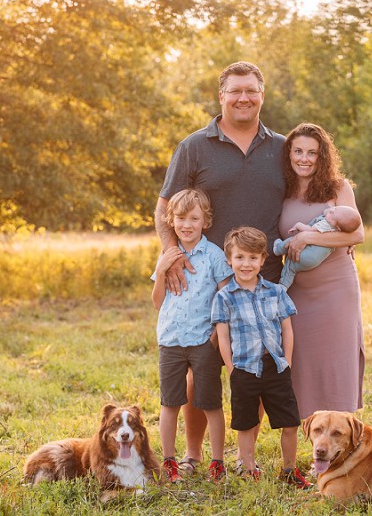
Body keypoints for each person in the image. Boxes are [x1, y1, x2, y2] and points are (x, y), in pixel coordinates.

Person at [155, 61, 285, 472]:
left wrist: (331, 231)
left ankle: (245, 458)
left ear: (262, 95)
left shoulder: (282, 147)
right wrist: (170, 254)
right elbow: (165, 207)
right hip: (204, 281)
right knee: (200, 373)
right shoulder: (195, 146)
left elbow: (313, 190)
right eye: (235, 91)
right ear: (221, 96)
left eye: (251, 90)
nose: (243, 98)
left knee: (253, 370)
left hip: (262, 279)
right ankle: (194, 456)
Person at [211, 226, 312, 489]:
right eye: (240, 257)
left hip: (275, 366)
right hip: (244, 368)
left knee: (290, 422)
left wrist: (286, 360)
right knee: (246, 423)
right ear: (229, 260)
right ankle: (249, 468)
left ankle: (289, 470)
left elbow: (287, 328)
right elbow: (223, 336)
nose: (246, 264)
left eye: (253, 258)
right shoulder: (224, 297)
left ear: (262, 260)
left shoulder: (276, 292)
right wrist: (232, 368)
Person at [278, 123, 365, 418]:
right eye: (298, 151)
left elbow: (357, 235)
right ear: (289, 153)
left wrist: (309, 237)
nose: (304, 158)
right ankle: (313, 436)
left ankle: (342, 436)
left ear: (322, 156)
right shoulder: (282, 189)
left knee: (336, 363)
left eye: (312, 152)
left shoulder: (338, 188)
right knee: (303, 363)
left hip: (336, 290)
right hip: (298, 292)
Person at [151, 189, 232, 482]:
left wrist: (216, 331)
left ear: (205, 221)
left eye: (194, 218)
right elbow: (157, 301)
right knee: (169, 403)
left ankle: (217, 462)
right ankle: (170, 462)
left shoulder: (214, 256)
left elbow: (227, 296)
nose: (187, 225)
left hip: (203, 341)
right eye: (181, 218)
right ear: (171, 221)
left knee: (210, 402)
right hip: (170, 340)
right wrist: (161, 271)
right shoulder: (167, 256)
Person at [273, 204, 361, 288]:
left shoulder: (325, 224)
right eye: (334, 208)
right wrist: (333, 211)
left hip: (309, 258)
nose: (331, 210)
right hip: (313, 262)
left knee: (292, 241)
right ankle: (283, 286)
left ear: (338, 227)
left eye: (332, 213)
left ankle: (278, 249)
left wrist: (298, 225)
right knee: (290, 268)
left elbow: (309, 230)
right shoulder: (337, 229)